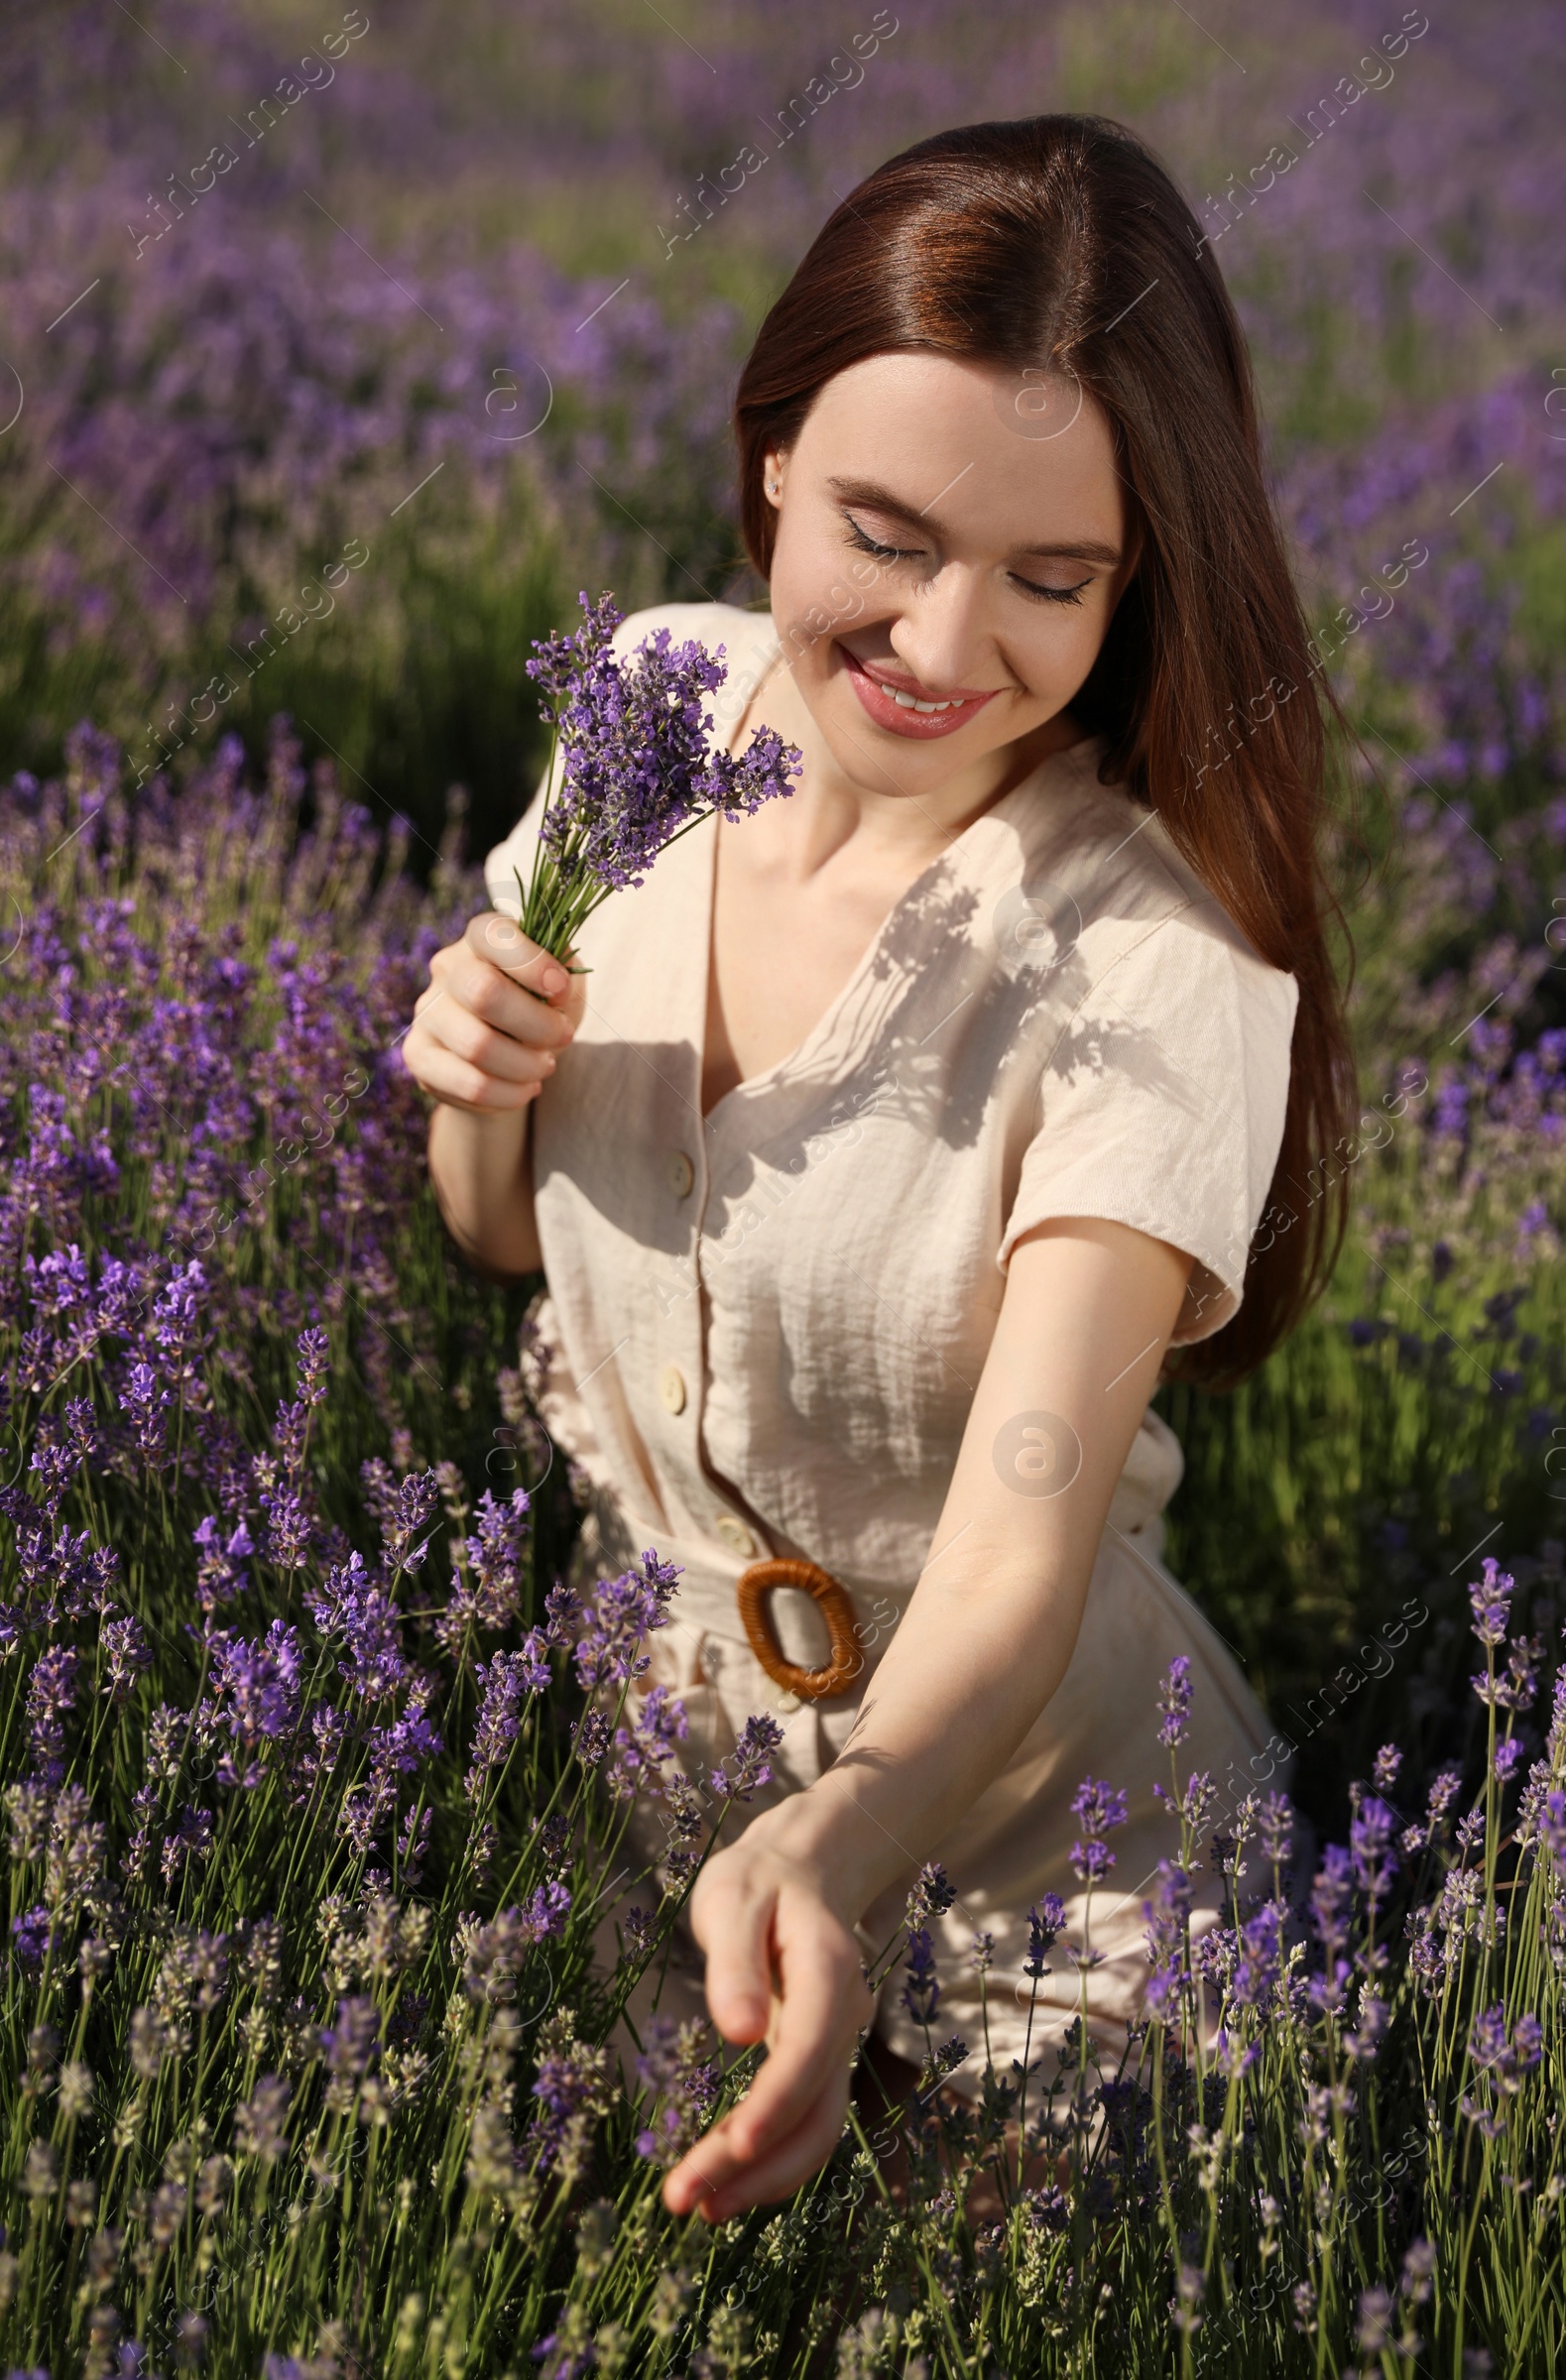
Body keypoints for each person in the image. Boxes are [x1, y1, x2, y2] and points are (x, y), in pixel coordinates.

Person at [402, 114, 1358, 2226]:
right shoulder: (649, 702)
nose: (940, 640)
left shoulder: (1148, 968)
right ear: (766, 460)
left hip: (1053, 1866)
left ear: (1139, 582)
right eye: (881, 529)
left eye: (1049, 580)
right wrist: (478, 1074)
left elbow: (1018, 1567)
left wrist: (842, 1844)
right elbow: (512, 1245)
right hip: (660, 1772)